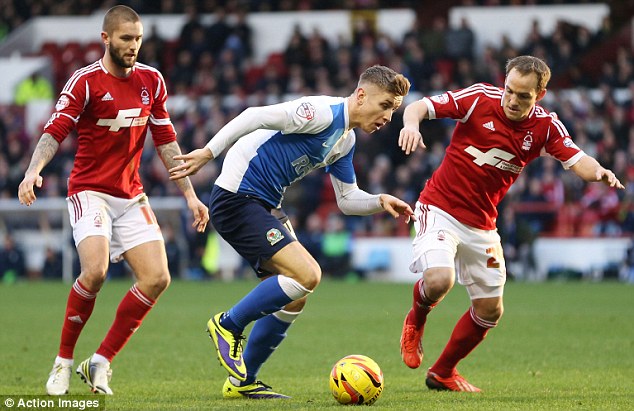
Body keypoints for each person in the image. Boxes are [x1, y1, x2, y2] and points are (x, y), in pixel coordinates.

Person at [169, 65, 414, 399]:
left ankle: (243, 382)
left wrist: (379, 200)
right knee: (308, 273)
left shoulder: (346, 139)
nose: (388, 116)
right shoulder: (321, 113)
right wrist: (209, 153)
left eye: (394, 110)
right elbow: (254, 115)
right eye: (385, 105)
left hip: (265, 204)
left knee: (297, 295)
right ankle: (228, 324)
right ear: (361, 95)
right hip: (238, 196)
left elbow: (346, 199)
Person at [397, 55, 624, 392]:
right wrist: (411, 126)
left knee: (490, 310)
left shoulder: (545, 127)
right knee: (440, 279)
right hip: (439, 207)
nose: (513, 100)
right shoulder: (477, 99)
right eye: (510, 90)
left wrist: (600, 172)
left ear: (541, 95)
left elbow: (578, 159)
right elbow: (418, 107)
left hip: (482, 225)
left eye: (523, 96)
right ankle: (416, 318)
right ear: (504, 83)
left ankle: (443, 372)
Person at [17, 5, 209, 396]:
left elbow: (166, 141)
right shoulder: (85, 82)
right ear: (106, 39)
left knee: (158, 278)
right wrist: (32, 171)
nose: (133, 46)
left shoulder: (152, 81)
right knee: (96, 272)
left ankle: (101, 361)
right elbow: (54, 131)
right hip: (89, 190)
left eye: (138, 38)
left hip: (130, 193)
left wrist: (190, 195)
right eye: (126, 38)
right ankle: (63, 363)